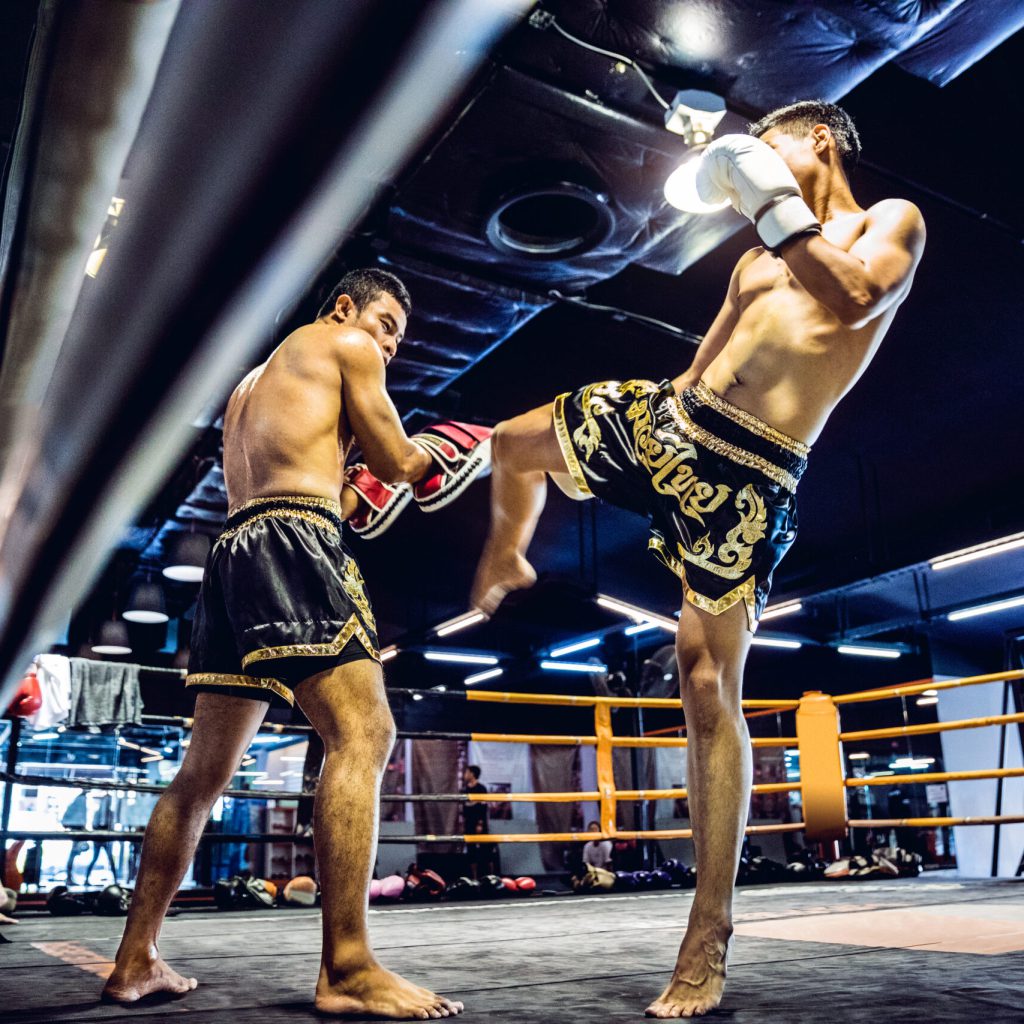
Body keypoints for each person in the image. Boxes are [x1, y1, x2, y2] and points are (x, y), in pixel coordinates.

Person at [469, 101, 925, 1017]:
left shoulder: (892, 223)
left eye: (774, 142)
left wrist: (760, 191)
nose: (757, 157)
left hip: (753, 470)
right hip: (677, 421)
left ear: (820, 141)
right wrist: (626, 450)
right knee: (513, 445)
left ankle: (707, 935)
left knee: (705, 683)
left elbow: (856, 295)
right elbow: (698, 364)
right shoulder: (756, 258)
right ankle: (507, 558)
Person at [103, 268, 489, 1018]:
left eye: (397, 341)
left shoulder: (256, 384)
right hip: (294, 545)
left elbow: (336, 492)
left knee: (202, 775)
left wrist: (368, 484)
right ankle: (347, 966)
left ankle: (135, 957)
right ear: (345, 307)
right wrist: (451, 448)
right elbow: (400, 464)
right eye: (385, 325)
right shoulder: (346, 343)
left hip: (234, 552)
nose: (389, 346)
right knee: (365, 733)